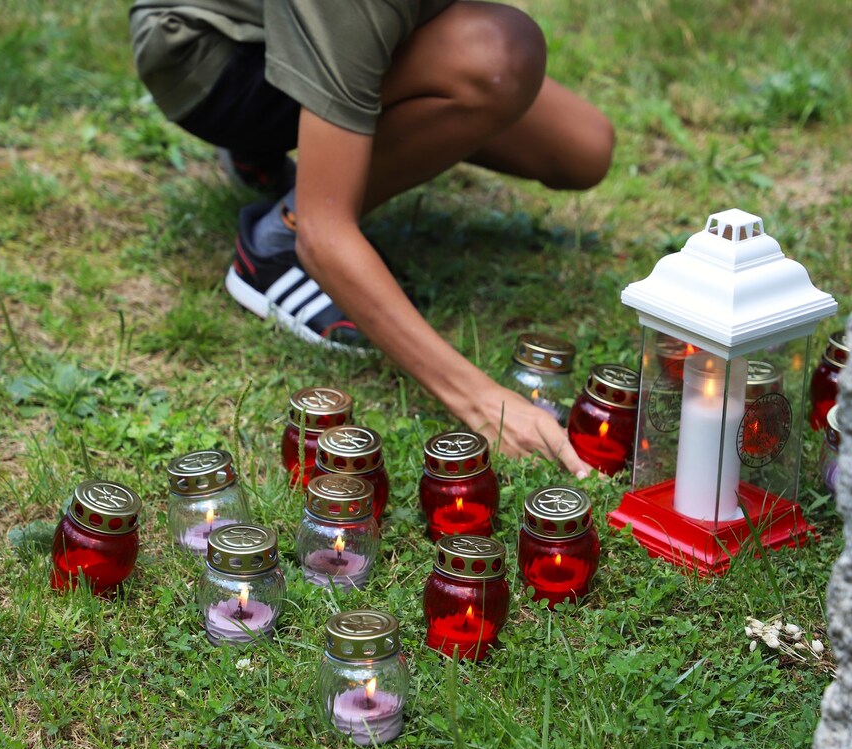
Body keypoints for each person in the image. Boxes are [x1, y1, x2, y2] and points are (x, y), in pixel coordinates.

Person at [130, 0, 614, 477]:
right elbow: (325, 236)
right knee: (494, 56)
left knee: (582, 146)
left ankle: (284, 147)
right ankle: (278, 236)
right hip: (211, 54)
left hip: (310, 29)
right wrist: (481, 400)